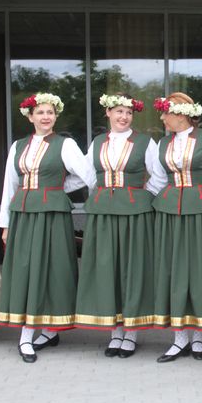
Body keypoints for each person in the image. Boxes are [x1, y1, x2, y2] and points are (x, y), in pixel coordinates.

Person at [0, 93, 96, 363]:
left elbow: (89, 175)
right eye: (40, 112)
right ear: (30, 116)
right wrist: (5, 224)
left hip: (52, 215)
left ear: (55, 116)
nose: (45, 117)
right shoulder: (18, 146)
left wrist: (57, 188)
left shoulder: (65, 144)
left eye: (50, 112)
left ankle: (45, 331)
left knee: (52, 269)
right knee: (26, 270)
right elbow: (9, 185)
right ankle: (30, 333)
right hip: (23, 214)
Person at [74, 93, 166, 358]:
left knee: (132, 268)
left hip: (134, 213)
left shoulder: (145, 142)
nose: (124, 117)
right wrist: (104, 193)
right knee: (108, 268)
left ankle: (131, 332)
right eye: (119, 112)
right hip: (104, 212)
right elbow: (90, 175)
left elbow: (159, 176)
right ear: (108, 113)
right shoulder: (98, 142)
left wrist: (141, 196)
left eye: (128, 113)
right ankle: (115, 331)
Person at [151, 93, 202, 362]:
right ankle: (179, 338)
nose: (162, 117)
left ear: (182, 114)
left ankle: (198, 337)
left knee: (199, 269)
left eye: (166, 113)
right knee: (173, 270)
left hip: (201, 210)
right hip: (170, 210)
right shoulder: (163, 143)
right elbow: (158, 178)